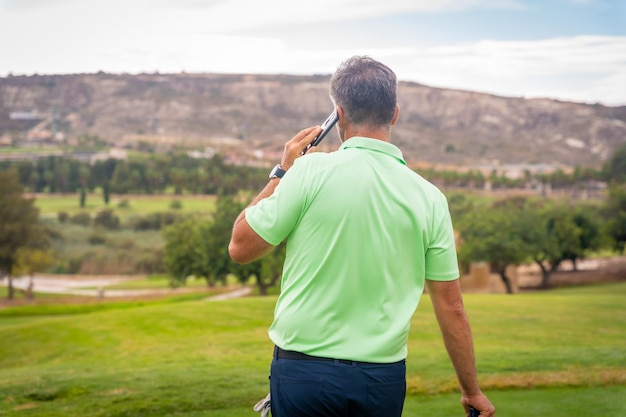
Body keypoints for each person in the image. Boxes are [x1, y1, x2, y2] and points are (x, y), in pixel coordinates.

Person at [229, 55, 495, 417]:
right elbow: (451, 307)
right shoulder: (430, 198)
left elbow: (240, 246)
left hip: (303, 373)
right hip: (381, 379)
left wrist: (282, 171)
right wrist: (471, 390)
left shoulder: (307, 172)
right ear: (395, 114)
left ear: (338, 115)